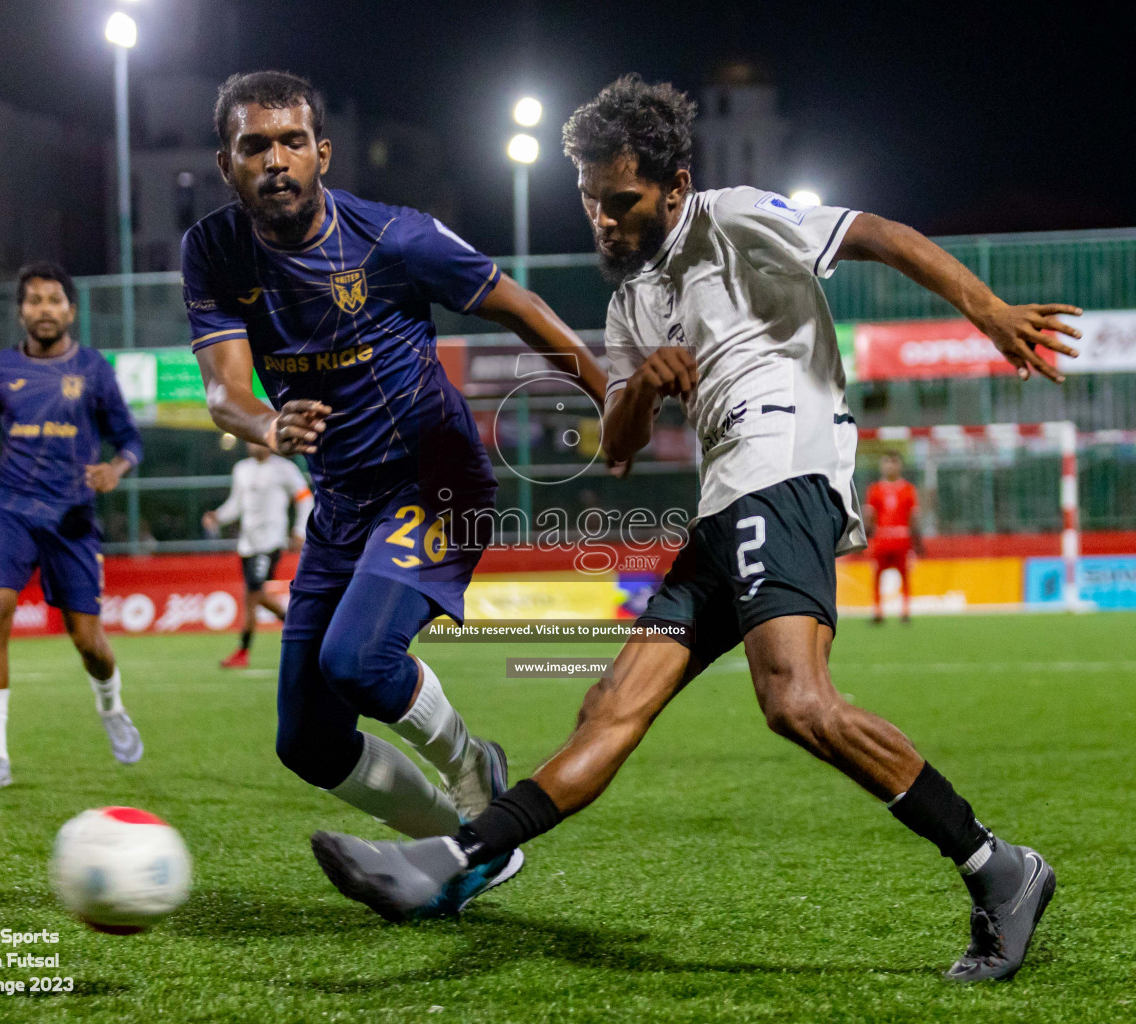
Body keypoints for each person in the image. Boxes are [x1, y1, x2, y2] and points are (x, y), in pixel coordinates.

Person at [309, 75, 1082, 982]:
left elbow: (876, 232)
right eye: (591, 199)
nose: (601, 218)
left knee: (795, 700)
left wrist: (987, 311)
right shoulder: (633, 300)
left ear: (675, 186)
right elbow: (625, 448)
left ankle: (999, 868)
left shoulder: (735, 219)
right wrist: (638, 385)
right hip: (724, 510)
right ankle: (454, 859)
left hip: (785, 478)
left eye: (621, 200)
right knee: (611, 707)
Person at [185, 71, 612, 914]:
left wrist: (611, 397)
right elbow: (222, 389)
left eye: (292, 142)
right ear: (227, 165)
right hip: (343, 506)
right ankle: (462, 858)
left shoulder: (393, 238)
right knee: (307, 741)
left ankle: (470, 769)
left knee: (359, 661)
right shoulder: (215, 250)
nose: (276, 160)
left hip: (435, 479)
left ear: (322, 153)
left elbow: (519, 307)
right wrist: (266, 425)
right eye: (255, 146)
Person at [0, 263, 145, 791]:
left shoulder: (93, 369)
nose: (44, 309)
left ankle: (111, 707)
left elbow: (130, 440)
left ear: (70, 309)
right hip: (12, 508)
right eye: (34, 300)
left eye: (54, 300)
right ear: (21, 310)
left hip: (72, 516)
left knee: (88, 641)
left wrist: (114, 470)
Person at [203, 441, 315, 668]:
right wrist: (218, 516)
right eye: (251, 442)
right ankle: (297, 624)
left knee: (254, 593)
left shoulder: (284, 468)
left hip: (270, 542)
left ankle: (244, 650)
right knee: (253, 595)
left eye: (260, 441)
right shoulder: (242, 468)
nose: (255, 446)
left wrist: (299, 530)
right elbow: (236, 504)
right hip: (247, 544)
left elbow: (305, 498)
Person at [864, 452, 923, 624]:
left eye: (894, 463)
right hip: (882, 538)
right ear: (882, 466)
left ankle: (905, 610)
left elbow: (913, 516)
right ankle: (877, 611)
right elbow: (870, 515)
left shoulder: (908, 489)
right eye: (887, 463)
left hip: (902, 538)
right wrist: (867, 537)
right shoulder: (874, 489)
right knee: (877, 575)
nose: (890, 466)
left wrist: (917, 541)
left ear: (900, 466)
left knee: (905, 575)